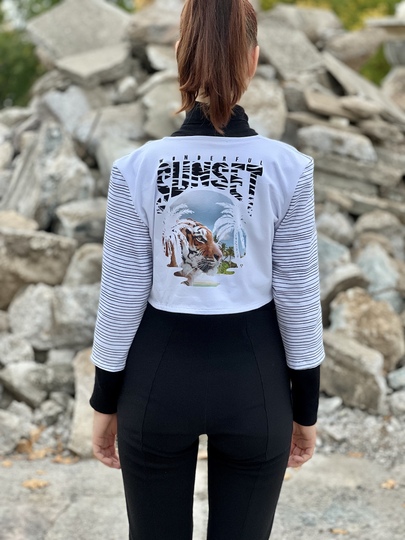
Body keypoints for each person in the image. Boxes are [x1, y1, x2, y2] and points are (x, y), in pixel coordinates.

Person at [90, 0, 324, 538]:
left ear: (180, 55)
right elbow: (297, 295)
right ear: (253, 59)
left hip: (156, 382)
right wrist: (305, 407)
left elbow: (122, 293)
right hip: (255, 384)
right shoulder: (289, 167)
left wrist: (104, 400)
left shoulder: (136, 168)